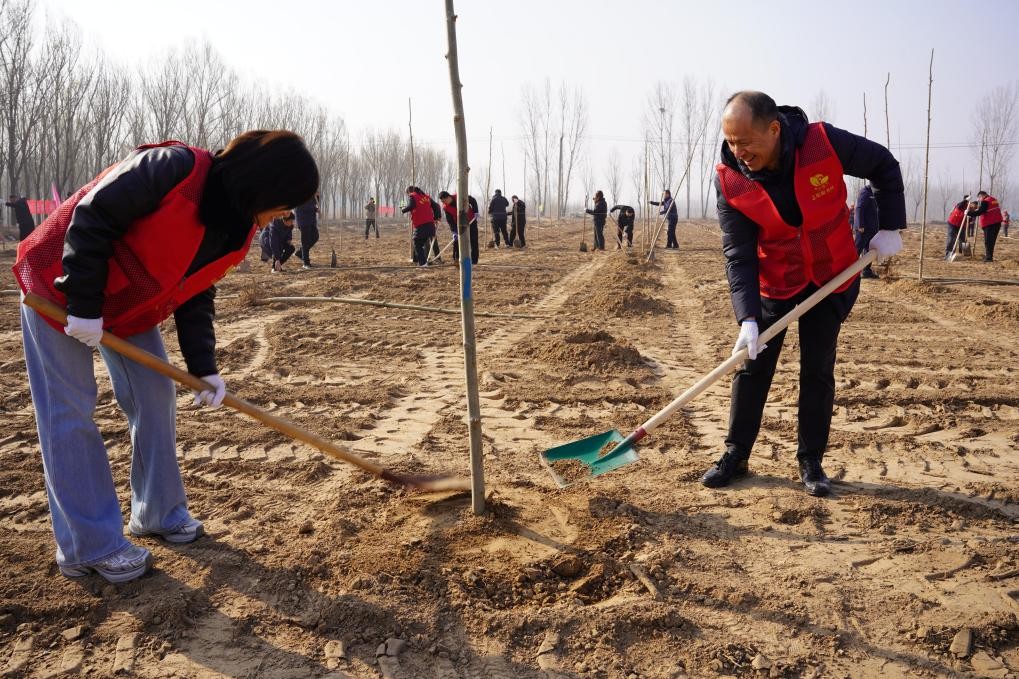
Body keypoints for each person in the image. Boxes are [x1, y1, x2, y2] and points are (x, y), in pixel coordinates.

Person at [11, 130, 318, 583]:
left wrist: (204, 369)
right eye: (284, 202)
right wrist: (83, 304)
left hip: (127, 305)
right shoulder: (173, 169)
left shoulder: (235, 223)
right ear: (263, 184)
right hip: (60, 286)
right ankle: (87, 546)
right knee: (70, 411)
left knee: (155, 396)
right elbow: (91, 215)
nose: (285, 214)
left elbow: (195, 290)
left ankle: (157, 512)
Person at [706, 91, 905, 497]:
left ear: (774, 129)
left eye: (746, 142)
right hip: (776, 279)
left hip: (833, 273)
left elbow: (883, 165)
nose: (738, 151)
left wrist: (890, 226)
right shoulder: (730, 179)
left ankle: (810, 460)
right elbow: (738, 253)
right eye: (730, 142)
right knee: (752, 364)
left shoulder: (822, 143)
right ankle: (736, 453)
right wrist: (746, 317)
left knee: (817, 367)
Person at [438, 191, 480, 264]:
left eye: (444, 201)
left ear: (448, 197)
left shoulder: (460, 196)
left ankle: (474, 261)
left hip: (471, 220)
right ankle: (456, 259)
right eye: (442, 202)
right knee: (457, 241)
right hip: (459, 224)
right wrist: (454, 231)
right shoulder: (446, 208)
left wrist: (476, 211)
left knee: (473, 240)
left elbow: (473, 200)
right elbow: (450, 221)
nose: (443, 203)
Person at [402, 185, 438, 266]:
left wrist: (403, 210)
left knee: (417, 243)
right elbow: (436, 206)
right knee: (422, 243)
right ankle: (421, 260)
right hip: (430, 224)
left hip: (422, 224)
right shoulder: (426, 197)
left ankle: (423, 263)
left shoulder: (413, 196)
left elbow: (412, 206)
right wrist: (436, 217)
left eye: (407, 194)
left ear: (409, 192)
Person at [968, 190, 1003, 262]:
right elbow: (988, 209)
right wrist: (979, 208)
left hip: (989, 224)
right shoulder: (994, 200)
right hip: (997, 223)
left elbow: (980, 212)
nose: (979, 200)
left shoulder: (985, 201)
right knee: (992, 241)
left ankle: (989, 258)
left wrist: (969, 213)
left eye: (979, 198)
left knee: (988, 241)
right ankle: (989, 256)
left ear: (982, 196)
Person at [854, 184, 879, 279]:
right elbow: (859, 208)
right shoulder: (865, 192)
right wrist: (860, 225)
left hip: (872, 229)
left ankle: (866, 271)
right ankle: (849, 272)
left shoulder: (875, 193)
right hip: (863, 229)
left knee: (869, 251)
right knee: (857, 250)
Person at [293, 193, 319, 269]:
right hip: (303, 220)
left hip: (311, 219)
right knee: (305, 241)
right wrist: (314, 209)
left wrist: (317, 195)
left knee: (315, 236)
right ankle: (306, 263)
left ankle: (301, 252)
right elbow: (302, 206)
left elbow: (316, 202)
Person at [945, 195, 969, 260]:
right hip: (952, 223)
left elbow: (972, 217)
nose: (968, 202)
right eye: (967, 201)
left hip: (962, 225)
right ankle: (949, 254)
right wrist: (965, 200)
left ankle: (963, 255)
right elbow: (959, 206)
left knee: (963, 240)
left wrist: (969, 215)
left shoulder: (969, 207)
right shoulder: (960, 205)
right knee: (951, 239)